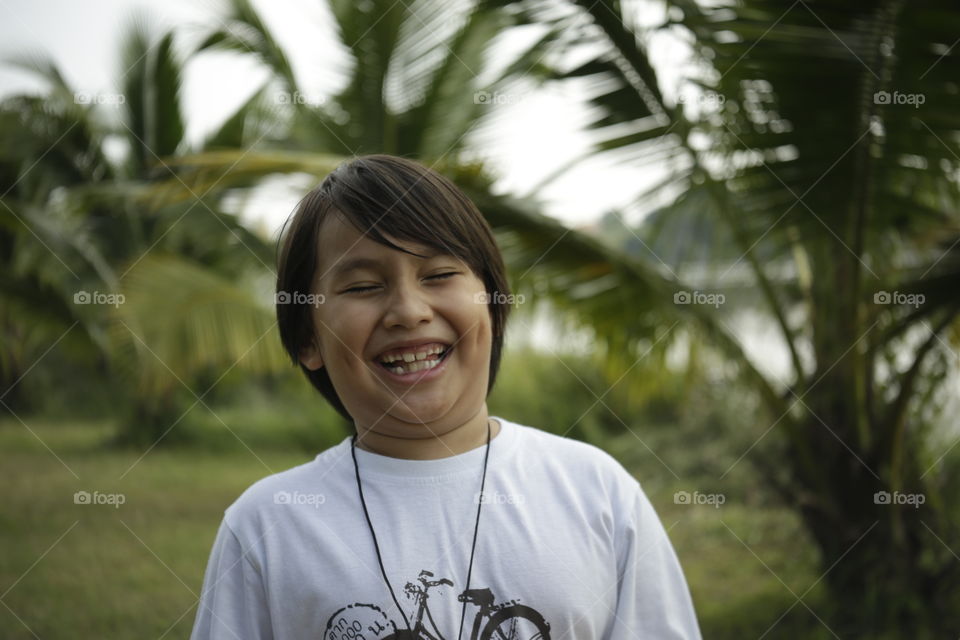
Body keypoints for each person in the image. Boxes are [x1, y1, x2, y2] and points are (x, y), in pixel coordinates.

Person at [190, 154, 702, 640]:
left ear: (494, 305)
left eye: (438, 275)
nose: (408, 311)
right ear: (308, 339)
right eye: (363, 286)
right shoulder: (265, 526)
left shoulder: (597, 492)